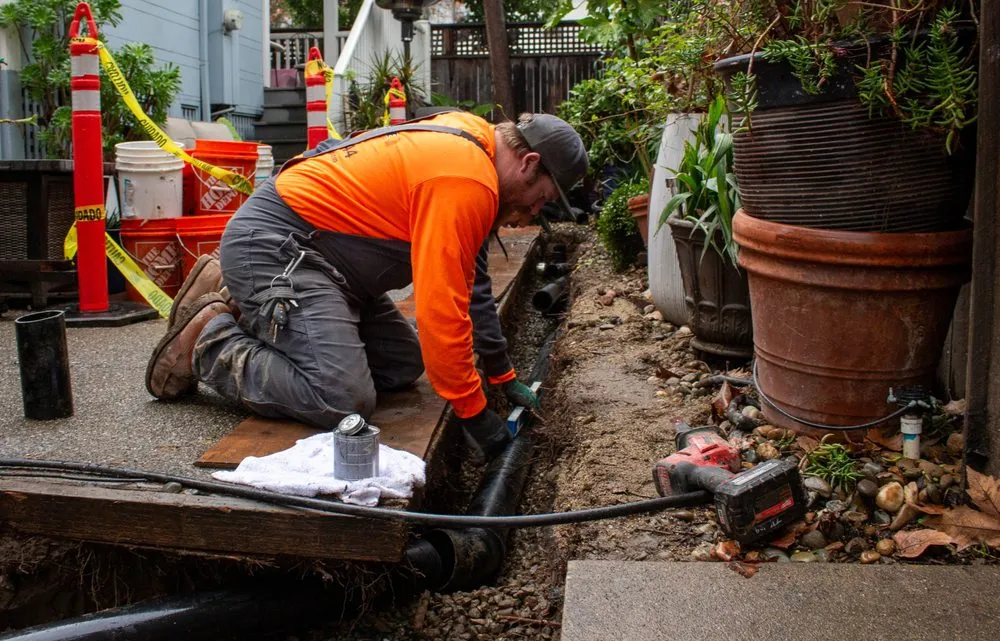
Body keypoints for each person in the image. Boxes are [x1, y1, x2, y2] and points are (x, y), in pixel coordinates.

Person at [144, 111, 588, 461]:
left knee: (402, 365)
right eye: (543, 199)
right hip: (281, 248)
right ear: (529, 163)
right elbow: (441, 310)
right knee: (341, 399)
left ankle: (249, 298)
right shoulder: (464, 180)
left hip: (330, 266)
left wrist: (502, 374)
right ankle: (210, 339)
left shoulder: (475, 142)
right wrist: (474, 416)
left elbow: (474, 281)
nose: (534, 212)